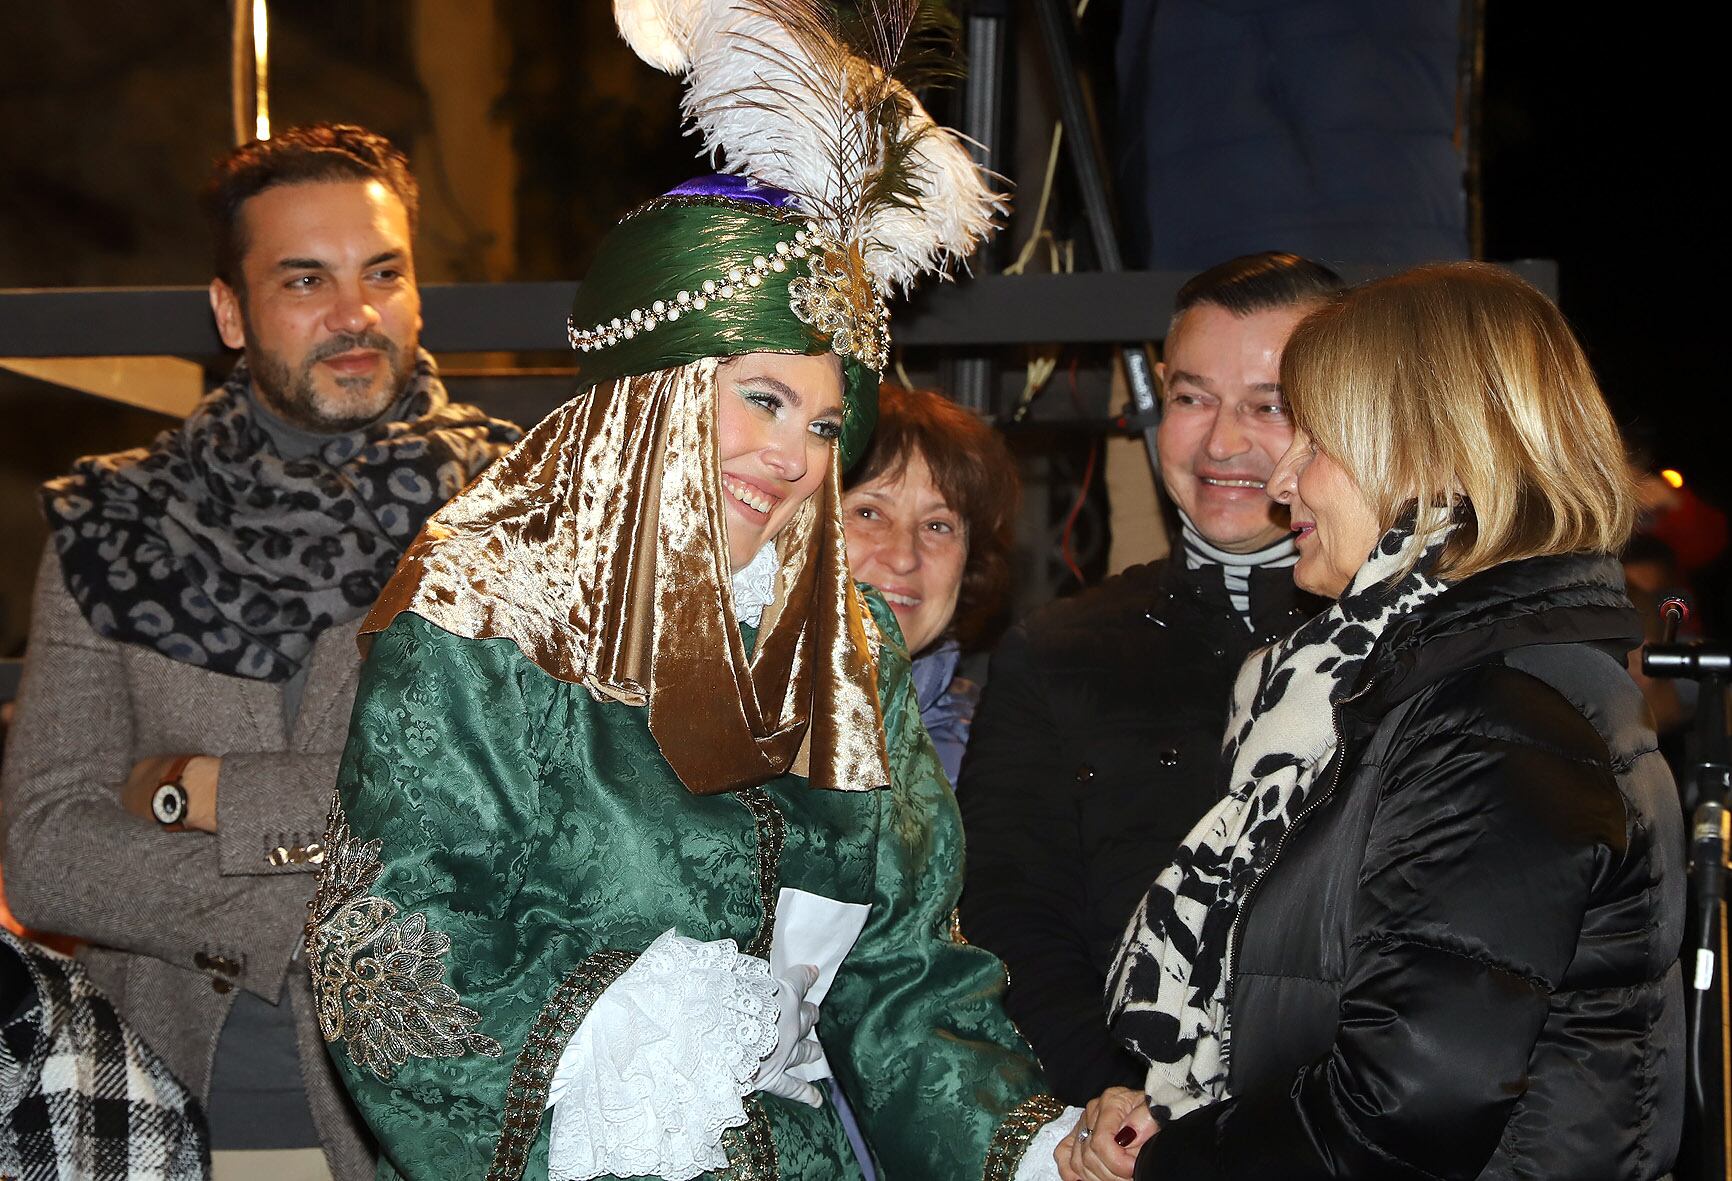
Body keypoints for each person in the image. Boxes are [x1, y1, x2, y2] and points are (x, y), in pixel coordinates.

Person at [306, 6, 1076, 1178]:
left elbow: (902, 969)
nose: (796, 455)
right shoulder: (481, 608)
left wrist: (1036, 1145)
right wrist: (630, 1038)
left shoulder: (844, 642)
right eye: (761, 399)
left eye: (826, 423)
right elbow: (394, 951)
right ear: (657, 391)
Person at [1069, 262, 1683, 1179]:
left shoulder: (1498, 713)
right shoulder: (1426, 685)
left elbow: (1405, 1104)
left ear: (1424, 456)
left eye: (1311, 439)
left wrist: (1176, 1165)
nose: (1281, 480)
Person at [0, 124, 521, 1180]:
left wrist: (210, 791)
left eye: (384, 272)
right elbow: (49, 852)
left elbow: (517, 816)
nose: (355, 315)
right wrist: (330, 893)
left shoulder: (512, 515)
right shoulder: (116, 524)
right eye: (305, 281)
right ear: (231, 312)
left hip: (442, 1117)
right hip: (162, 1113)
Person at [957, 253, 1339, 1105]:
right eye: (1192, 398)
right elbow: (1010, 922)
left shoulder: (1395, 646)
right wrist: (1117, 1106)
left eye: (1268, 406)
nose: (1224, 442)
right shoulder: (1059, 650)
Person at [841, 383, 1019, 783]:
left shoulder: (1004, 760)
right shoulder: (709, 726)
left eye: (937, 525)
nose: (904, 556)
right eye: (869, 513)